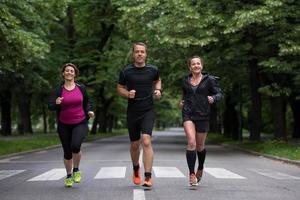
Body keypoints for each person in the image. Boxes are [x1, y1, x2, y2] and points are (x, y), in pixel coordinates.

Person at [117, 42, 162, 188]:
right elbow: (119, 88)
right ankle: (136, 168)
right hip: (133, 111)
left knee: (146, 140)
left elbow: (157, 80)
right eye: (137, 51)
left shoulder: (152, 70)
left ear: (146, 54)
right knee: (135, 144)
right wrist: (127, 94)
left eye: (142, 51)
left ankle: (148, 176)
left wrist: (158, 90)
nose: (140, 54)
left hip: (148, 110)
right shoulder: (126, 71)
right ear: (133, 54)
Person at [48, 63, 94, 187]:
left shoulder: (81, 88)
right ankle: (68, 175)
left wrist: (89, 111)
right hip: (64, 124)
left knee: (75, 146)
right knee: (67, 152)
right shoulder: (58, 90)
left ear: (75, 74)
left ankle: (76, 169)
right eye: (67, 71)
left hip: (80, 122)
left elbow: (87, 101)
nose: (69, 72)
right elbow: (50, 106)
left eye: (71, 71)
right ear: (63, 73)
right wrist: (56, 103)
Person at [179, 56, 222, 187]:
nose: (196, 66)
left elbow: (219, 94)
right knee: (191, 142)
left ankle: (201, 167)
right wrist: (181, 102)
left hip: (203, 115)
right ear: (190, 67)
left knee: (200, 146)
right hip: (188, 114)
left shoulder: (209, 80)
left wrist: (213, 98)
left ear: (202, 66)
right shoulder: (185, 81)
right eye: (193, 64)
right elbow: (185, 96)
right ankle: (192, 174)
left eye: (198, 63)